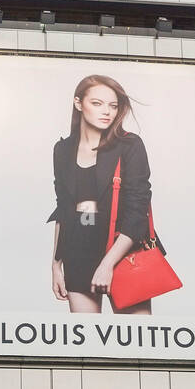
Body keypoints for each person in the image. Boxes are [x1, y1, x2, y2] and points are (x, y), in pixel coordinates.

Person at [49, 73, 154, 317]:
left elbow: (137, 212)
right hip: (78, 254)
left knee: (137, 345)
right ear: (78, 103)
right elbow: (63, 209)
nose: (106, 111)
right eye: (97, 103)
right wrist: (56, 265)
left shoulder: (130, 145)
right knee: (86, 349)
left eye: (113, 105)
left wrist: (108, 264)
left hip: (124, 253)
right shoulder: (62, 150)